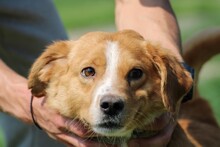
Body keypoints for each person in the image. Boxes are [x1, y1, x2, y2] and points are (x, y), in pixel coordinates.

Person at [0, 0, 188, 146]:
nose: (111, 99)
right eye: (89, 72)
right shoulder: (60, 63)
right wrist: (26, 104)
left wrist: (174, 77)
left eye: (135, 73)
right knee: (46, 129)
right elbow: (32, 95)